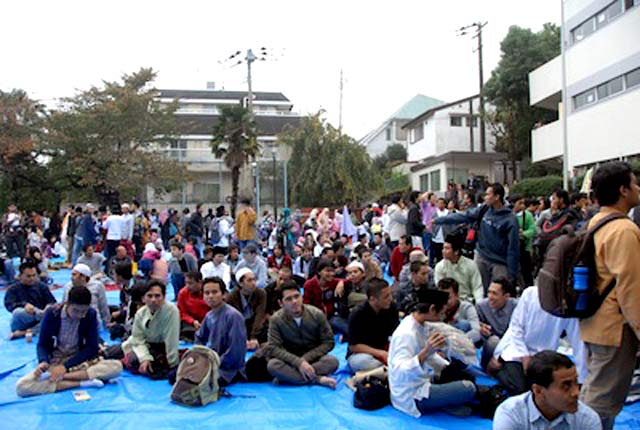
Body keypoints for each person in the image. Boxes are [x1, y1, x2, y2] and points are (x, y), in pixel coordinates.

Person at [579, 162, 640, 430]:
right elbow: (631, 288)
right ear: (623, 190)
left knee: (594, 390)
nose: (638, 188)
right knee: (602, 401)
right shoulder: (623, 230)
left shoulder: (597, 221)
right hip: (615, 328)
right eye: (635, 183)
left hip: (595, 321)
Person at [15, 285, 123, 397]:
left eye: (83, 311)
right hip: (56, 361)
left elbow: (92, 348)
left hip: (79, 360)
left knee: (116, 366)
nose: (80, 315)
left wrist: (64, 368)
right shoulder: (52, 313)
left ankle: (61, 378)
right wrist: (43, 361)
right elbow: (42, 344)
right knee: (22, 387)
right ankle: (81, 383)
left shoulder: (90, 314)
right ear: (67, 304)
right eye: (76, 311)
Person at [388, 287, 477, 417]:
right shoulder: (406, 334)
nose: (443, 316)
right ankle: (447, 402)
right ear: (432, 309)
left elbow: (432, 356)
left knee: (462, 373)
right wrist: (426, 352)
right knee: (469, 388)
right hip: (412, 394)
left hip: (424, 379)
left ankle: (448, 401)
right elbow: (401, 371)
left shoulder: (422, 325)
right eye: (442, 312)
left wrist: (446, 367)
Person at [489, 286, 587, 397]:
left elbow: (577, 340)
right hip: (517, 352)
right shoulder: (530, 294)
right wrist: (525, 357)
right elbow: (516, 328)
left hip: (544, 358)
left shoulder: (569, 303)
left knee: (545, 391)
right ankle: (498, 369)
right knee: (520, 390)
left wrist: (581, 379)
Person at [435, 183, 519, 293]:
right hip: (482, 257)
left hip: (499, 262)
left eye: (488, 194)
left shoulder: (510, 219)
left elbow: (513, 248)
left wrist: (512, 275)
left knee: (497, 293)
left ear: (497, 197)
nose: (485, 197)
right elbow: (464, 216)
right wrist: (439, 220)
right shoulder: (484, 209)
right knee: (479, 290)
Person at [493, 351, 601, 430]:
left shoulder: (587, 418)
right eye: (566, 386)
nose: (576, 393)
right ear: (538, 390)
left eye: (576, 383)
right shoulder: (511, 414)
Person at [264, 282, 338, 388]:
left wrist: (304, 360)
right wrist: (298, 363)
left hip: (313, 358)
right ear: (281, 303)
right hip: (289, 360)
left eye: (297, 296)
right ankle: (317, 379)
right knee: (273, 365)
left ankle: (292, 377)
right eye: (289, 299)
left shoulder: (316, 314)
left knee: (332, 361)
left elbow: (328, 342)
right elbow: (274, 347)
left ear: (302, 297)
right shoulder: (276, 319)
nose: (294, 301)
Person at [121, 280, 180, 379]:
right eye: (149, 296)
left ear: (164, 297)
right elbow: (137, 339)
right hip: (143, 344)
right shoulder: (141, 313)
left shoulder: (171, 311)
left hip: (161, 347)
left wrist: (173, 364)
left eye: (157, 296)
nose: (153, 300)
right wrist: (145, 357)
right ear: (143, 298)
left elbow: (171, 340)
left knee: (135, 361)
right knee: (112, 352)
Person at [195, 277, 247, 386]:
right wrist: (200, 358)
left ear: (224, 294)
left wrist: (213, 363)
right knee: (175, 376)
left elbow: (235, 351)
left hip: (229, 368)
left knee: (201, 382)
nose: (210, 296)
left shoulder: (233, 316)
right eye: (207, 293)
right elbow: (199, 337)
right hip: (211, 361)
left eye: (214, 292)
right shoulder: (209, 315)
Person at [347, 278, 399, 372]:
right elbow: (354, 346)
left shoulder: (391, 307)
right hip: (364, 353)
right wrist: (380, 353)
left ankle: (385, 371)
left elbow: (396, 333)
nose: (390, 299)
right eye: (386, 297)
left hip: (385, 348)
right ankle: (388, 371)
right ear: (372, 299)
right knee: (361, 362)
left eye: (390, 294)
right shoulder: (358, 314)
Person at [5, 260, 57, 339]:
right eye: (28, 276)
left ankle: (26, 332)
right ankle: (36, 328)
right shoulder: (13, 289)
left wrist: (48, 307)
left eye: (34, 275)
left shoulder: (41, 286)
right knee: (17, 312)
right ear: (20, 276)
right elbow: (9, 305)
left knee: (53, 312)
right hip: (24, 318)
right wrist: (24, 305)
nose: (32, 278)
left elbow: (52, 302)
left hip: (41, 319)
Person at [476, 277, 517, 370]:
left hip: (512, 342)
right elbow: (475, 325)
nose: (490, 296)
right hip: (491, 342)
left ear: (506, 296)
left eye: (494, 293)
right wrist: (479, 327)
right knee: (493, 341)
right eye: (489, 292)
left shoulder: (517, 307)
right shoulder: (481, 306)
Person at [435, 230, 484, 304]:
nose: (443, 251)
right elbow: (440, 289)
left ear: (456, 251)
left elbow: (477, 288)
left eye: (447, 248)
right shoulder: (440, 266)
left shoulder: (471, 265)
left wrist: (479, 305)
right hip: (449, 302)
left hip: (468, 301)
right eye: (443, 248)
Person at [227, 267, 267, 349]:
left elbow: (260, 315)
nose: (253, 283)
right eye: (249, 280)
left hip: (255, 326)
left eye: (254, 280)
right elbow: (235, 321)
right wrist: (242, 338)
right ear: (241, 283)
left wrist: (253, 337)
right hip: (239, 327)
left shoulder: (261, 293)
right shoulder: (232, 297)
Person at [62, 264, 110, 329]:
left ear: (83, 277)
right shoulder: (68, 287)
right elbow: (64, 306)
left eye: (74, 275)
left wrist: (107, 323)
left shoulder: (97, 286)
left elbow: (103, 306)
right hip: (73, 322)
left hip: (92, 321)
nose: (71, 277)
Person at [438, 278, 481, 343]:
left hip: (463, 344)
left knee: (463, 324)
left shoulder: (467, 307)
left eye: (448, 298)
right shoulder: (435, 308)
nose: (445, 301)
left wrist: (456, 340)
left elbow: (477, 332)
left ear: (457, 296)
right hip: (442, 344)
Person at [176, 272, 209, 341]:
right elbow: (181, 312)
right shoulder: (182, 293)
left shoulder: (208, 292)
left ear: (200, 282)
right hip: (191, 323)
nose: (187, 286)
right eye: (186, 283)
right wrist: (192, 321)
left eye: (190, 283)